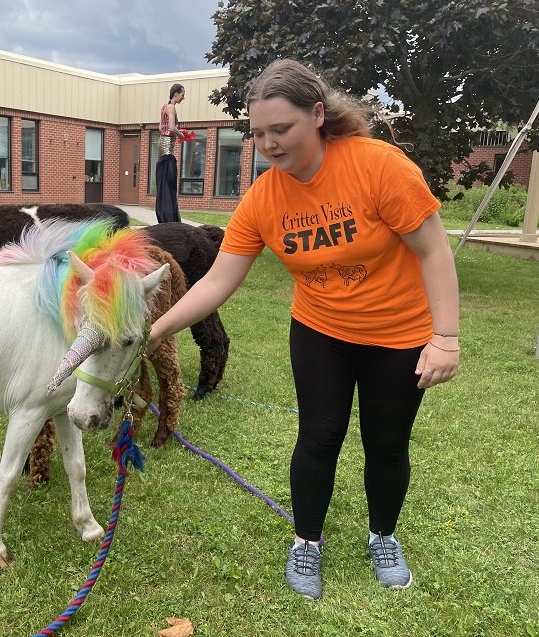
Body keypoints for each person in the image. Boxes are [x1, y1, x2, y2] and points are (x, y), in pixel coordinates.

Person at [148, 59, 460, 600]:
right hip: (321, 330)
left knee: (387, 443)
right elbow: (219, 279)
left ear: (317, 115)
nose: (268, 144)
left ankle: (383, 535)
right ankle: (307, 542)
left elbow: (433, 250)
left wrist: (445, 337)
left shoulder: (379, 167)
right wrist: (155, 329)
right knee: (318, 436)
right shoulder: (265, 198)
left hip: (400, 332)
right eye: (258, 133)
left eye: (281, 129)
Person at [155, 83, 186, 223]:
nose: (183, 98)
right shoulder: (172, 107)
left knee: (164, 183)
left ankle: (164, 215)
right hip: (167, 148)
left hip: (162, 146)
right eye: (182, 94)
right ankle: (170, 217)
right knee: (169, 183)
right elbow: (172, 128)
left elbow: (160, 126)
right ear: (176, 94)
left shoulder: (164, 107)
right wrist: (181, 136)